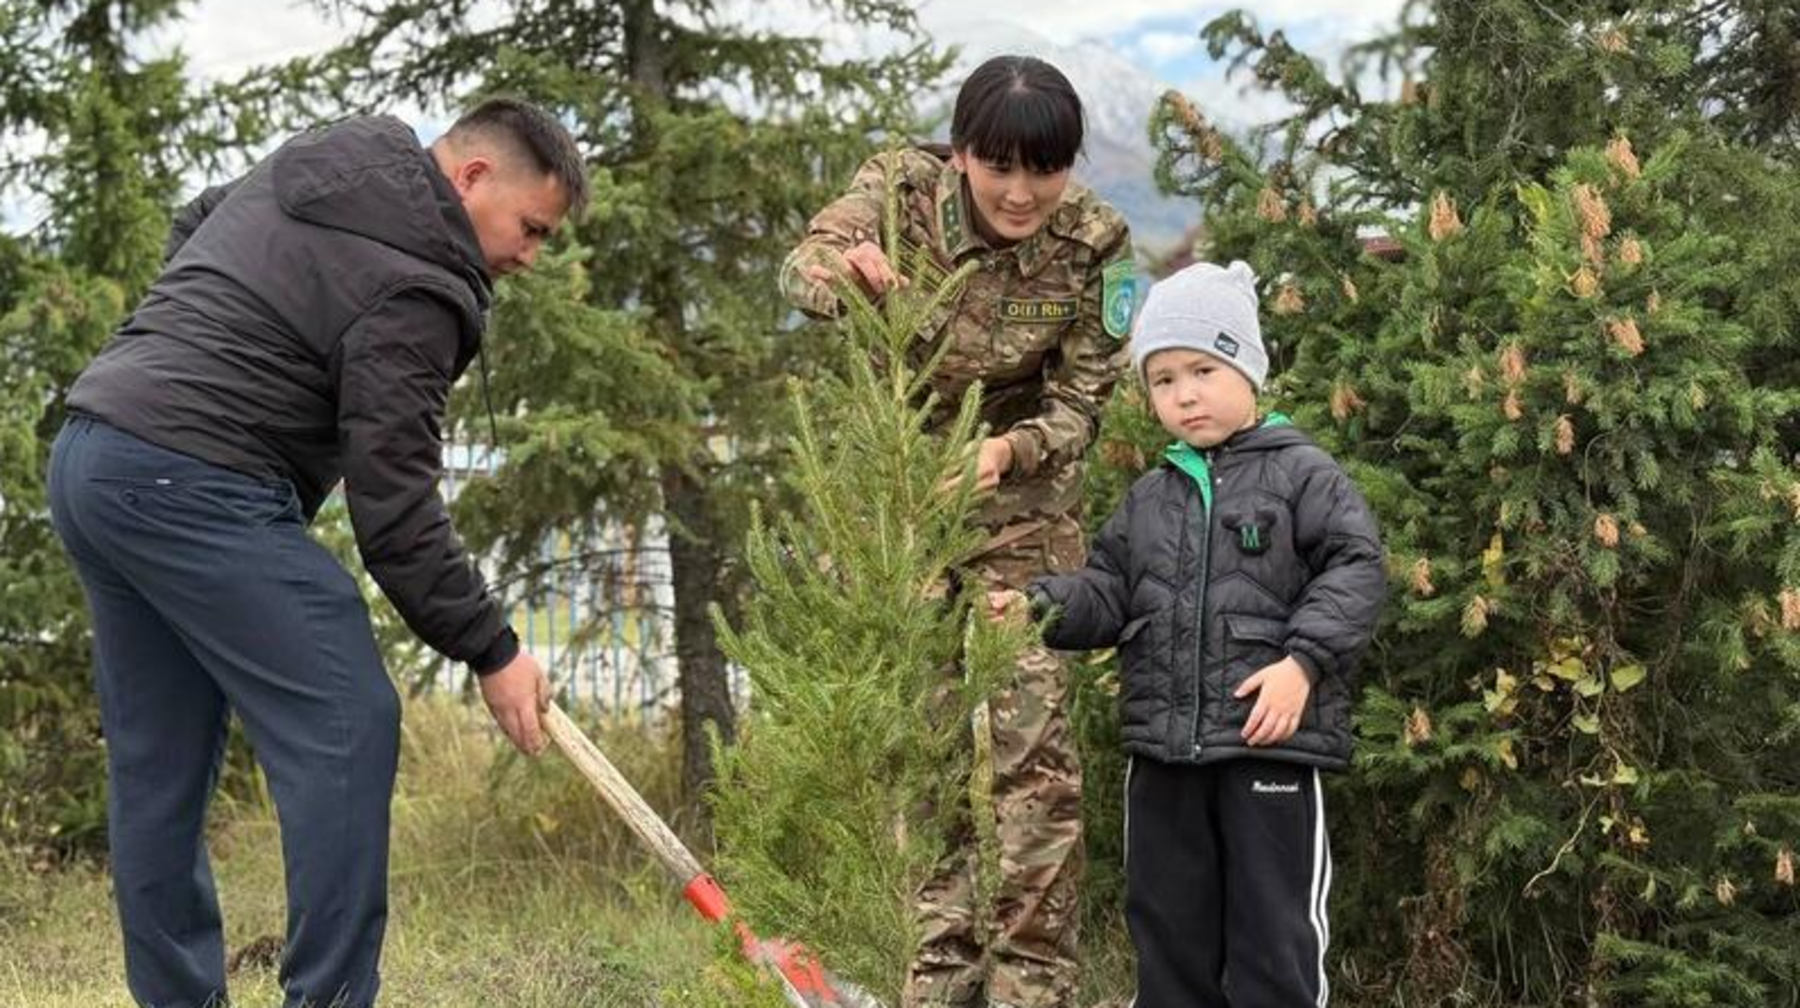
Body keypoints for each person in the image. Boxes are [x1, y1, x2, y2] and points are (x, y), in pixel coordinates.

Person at [46, 97, 587, 1008]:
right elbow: (397, 517)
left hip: (96, 457)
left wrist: (184, 357)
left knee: (160, 762)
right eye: (531, 229)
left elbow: (198, 220)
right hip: (191, 480)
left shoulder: (342, 154)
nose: (530, 256)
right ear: (472, 177)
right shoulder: (420, 288)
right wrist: (493, 649)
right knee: (347, 716)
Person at [781, 55, 1136, 1008]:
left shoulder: (1097, 244)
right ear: (963, 151)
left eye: (1045, 169)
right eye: (1000, 166)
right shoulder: (897, 187)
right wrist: (848, 278)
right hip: (901, 509)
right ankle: (937, 977)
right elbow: (803, 264)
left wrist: (1007, 454)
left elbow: (1082, 403)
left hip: (1022, 511)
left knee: (1035, 759)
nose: (1021, 193)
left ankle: (1033, 984)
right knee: (921, 751)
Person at [989, 260, 1387, 1008]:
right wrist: (1037, 606)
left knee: (1275, 942)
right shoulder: (1149, 498)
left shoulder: (1305, 475)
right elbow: (1106, 589)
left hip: (1266, 748)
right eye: (1163, 379)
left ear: (1248, 368)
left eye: (1203, 369)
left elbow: (1356, 567)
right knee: (1169, 933)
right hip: (1163, 755)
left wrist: (1302, 665)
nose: (1184, 394)